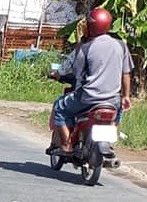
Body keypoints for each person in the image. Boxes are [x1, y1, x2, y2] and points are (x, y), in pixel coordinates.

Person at [51, 8, 133, 155]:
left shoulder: (85, 48)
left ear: (91, 26)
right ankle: (109, 138)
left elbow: (76, 73)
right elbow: (126, 73)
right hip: (112, 99)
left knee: (59, 107)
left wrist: (77, 48)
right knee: (118, 111)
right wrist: (126, 96)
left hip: (87, 98)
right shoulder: (121, 45)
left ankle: (66, 145)